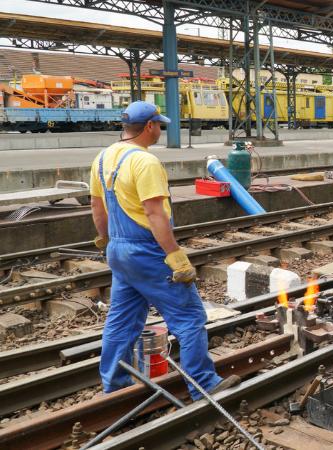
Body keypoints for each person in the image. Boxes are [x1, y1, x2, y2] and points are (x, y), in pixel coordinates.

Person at [90, 101, 239, 399]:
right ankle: (203, 384)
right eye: (159, 125)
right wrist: (174, 255)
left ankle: (114, 385)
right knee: (189, 317)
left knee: (122, 320)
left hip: (119, 249)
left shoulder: (103, 158)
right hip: (147, 250)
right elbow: (154, 213)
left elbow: (97, 206)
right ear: (149, 127)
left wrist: (105, 240)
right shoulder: (145, 162)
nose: (160, 130)